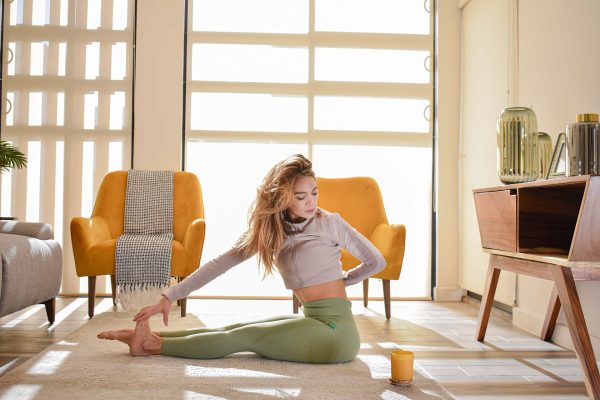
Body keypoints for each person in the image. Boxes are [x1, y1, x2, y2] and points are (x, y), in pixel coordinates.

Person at [98, 154, 386, 363]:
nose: (311, 202)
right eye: (301, 196)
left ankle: (151, 347)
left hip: (336, 332)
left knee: (244, 339)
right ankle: (148, 337)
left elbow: (377, 262)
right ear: (283, 197)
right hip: (314, 320)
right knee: (234, 329)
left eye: (314, 192)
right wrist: (169, 296)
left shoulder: (330, 222)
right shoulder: (273, 231)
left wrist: (341, 282)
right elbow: (219, 264)